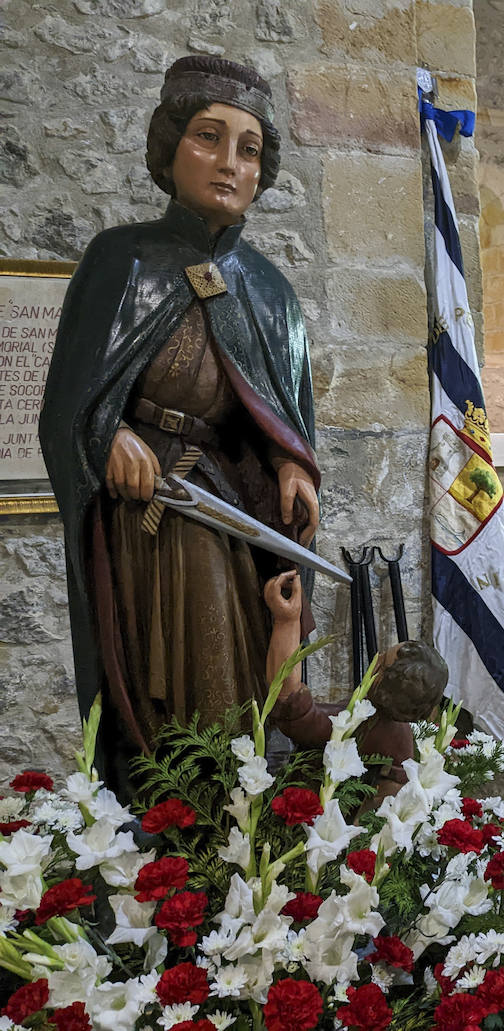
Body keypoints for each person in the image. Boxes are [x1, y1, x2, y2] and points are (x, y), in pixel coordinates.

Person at [39, 56, 318, 799]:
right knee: (162, 677)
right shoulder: (121, 260)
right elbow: (69, 403)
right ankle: (173, 809)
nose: (230, 163)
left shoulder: (270, 289)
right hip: (146, 515)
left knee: (235, 653)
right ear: (170, 149)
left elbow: (279, 416)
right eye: (208, 137)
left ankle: (236, 809)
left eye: (249, 148)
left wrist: (293, 465)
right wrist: (107, 437)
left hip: (227, 505)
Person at [264, 572, 447, 804]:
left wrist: (287, 620)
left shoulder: (368, 724)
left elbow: (291, 706)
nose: (377, 657)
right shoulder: (399, 732)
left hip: (316, 813)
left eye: (382, 660)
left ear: (381, 680)